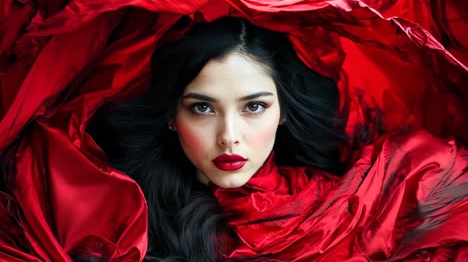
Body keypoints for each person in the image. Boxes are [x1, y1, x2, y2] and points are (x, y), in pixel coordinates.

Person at [88, 17, 468, 261]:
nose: (229, 138)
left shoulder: (351, 202)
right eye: (202, 109)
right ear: (171, 116)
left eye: (253, 107)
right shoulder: (123, 218)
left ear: (283, 111)